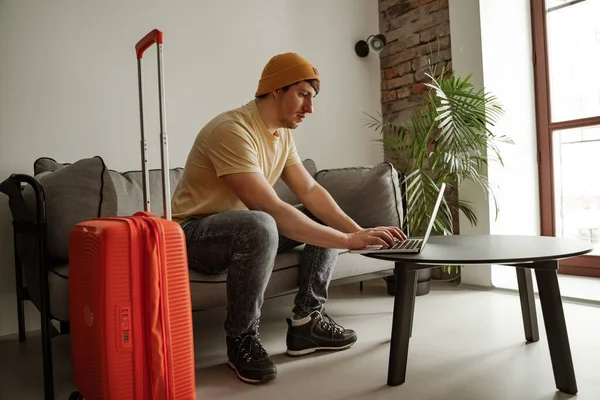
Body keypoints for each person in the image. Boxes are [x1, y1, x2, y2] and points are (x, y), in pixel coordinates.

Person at [171, 52, 406, 384]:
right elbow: (269, 207)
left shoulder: (282, 136)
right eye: (302, 95)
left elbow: (310, 191)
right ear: (276, 90)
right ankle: (241, 338)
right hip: (194, 235)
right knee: (261, 222)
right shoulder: (231, 130)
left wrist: (358, 231)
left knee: (311, 216)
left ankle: (307, 323)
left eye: (312, 98)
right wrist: (346, 241)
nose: (309, 108)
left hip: (248, 230)